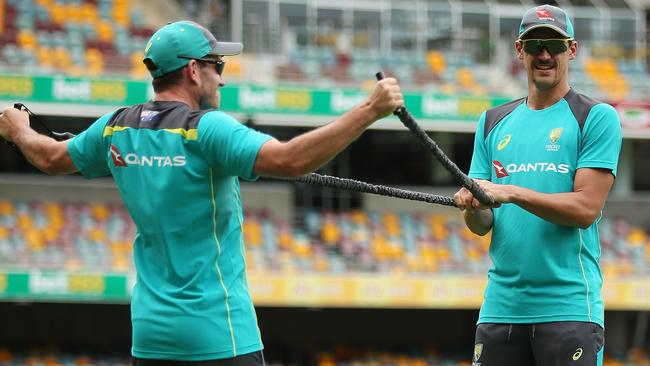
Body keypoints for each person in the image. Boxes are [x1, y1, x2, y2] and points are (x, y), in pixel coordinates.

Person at [0, 21, 403, 365]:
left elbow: (51, 158)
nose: (223, 77)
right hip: (219, 334)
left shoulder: (116, 127)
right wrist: (369, 109)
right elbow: (288, 161)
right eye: (218, 65)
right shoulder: (206, 127)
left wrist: (18, 130)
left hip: (151, 336)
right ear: (194, 70)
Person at [453, 5, 621, 366]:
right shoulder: (492, 121)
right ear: (519, 51)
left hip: (569, 309)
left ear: (571, 50)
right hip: (500, 309)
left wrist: (510, 191)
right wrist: (475, 207)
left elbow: (585, 210)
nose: (544, 54)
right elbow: (482, 226)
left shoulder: (595, 117)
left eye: (554, 45)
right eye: (534, 45)